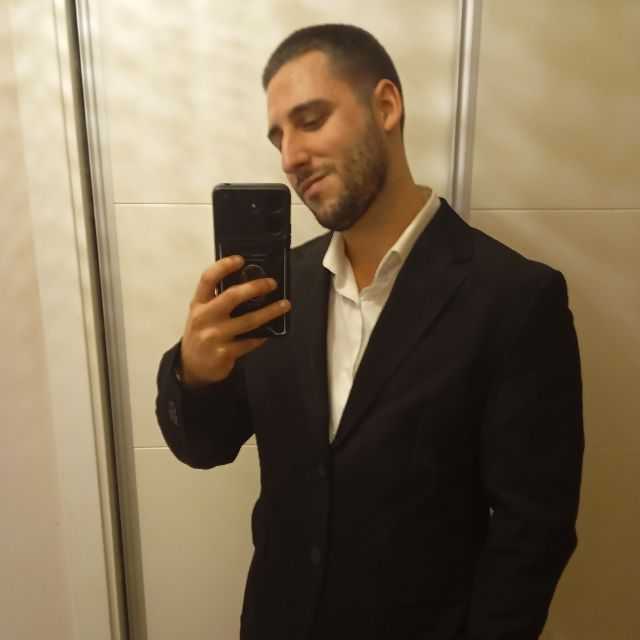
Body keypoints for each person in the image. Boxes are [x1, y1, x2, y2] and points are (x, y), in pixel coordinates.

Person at [156, 24, 583, 640]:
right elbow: (206, 447)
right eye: (278, 137)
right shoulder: (276, 291)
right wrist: (195, 374)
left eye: (310, 121)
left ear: (385, 106)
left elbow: (534, 531)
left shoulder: (513, 299)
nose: (290, 157)